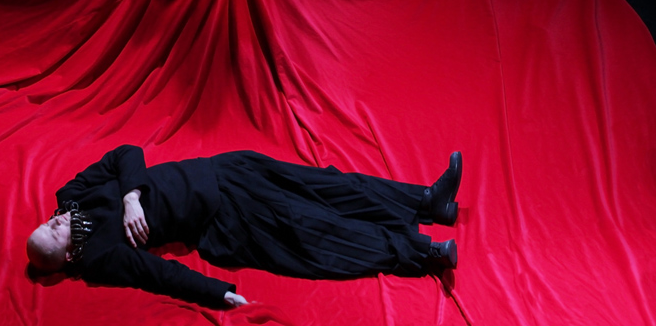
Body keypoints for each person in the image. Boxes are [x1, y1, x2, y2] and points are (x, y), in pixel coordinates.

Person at [27, 145, 462, 309]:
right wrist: (216, 293)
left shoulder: (71, 196)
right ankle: (422, 252)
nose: (56, 219)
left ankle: (427, 201)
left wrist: (130, 197)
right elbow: (157, 274)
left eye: (48, 221)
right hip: (225, 218)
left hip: (225, 169)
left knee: (328, 185)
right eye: (54, 232)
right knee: (317, 230)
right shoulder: (101, 256)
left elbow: (125, 153)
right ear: (68, 255)